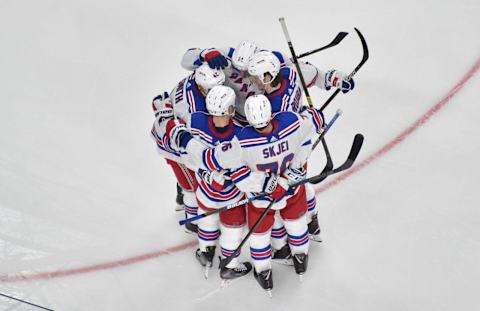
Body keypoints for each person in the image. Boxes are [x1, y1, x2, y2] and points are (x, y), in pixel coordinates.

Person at [166, 94, 326, 293]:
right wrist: (297, 165)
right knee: (295, 222)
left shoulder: (239, 140)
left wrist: (266, 183)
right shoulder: (290, 122)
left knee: (258, 233)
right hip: (291, 190)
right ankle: (300, 257)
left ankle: (261, 272)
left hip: (258, 198)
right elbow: (314, 121)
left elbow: (238, 176)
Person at [184, 85, 252, 280]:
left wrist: (205, 174)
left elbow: (189, 156)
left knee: (206, 218)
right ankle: (229, 265)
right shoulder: (242, 133)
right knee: (233, 227)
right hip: (231, 195)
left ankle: (205, 253)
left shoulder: (195, 121)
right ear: (231, 109)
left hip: (205, 192)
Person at [151, 63, 226, 233]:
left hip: (177, 132)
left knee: (190, 178)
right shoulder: (192, 110)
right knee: (193, 186)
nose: (217, 91)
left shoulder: (197, 80)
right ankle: (193, 223)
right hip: (174, 147)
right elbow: (189, 149)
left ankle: (181, 195)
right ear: (200, 85)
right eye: (212, 88)